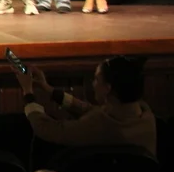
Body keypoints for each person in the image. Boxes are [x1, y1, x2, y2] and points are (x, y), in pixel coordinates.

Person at [16, 55, 156, 156]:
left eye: (96, 79)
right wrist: (49, 89)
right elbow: (90, 110)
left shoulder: (99, 126)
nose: (93, 84)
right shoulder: (145, 115)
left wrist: (28, 91)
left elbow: (46, 129)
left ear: (107, 88)